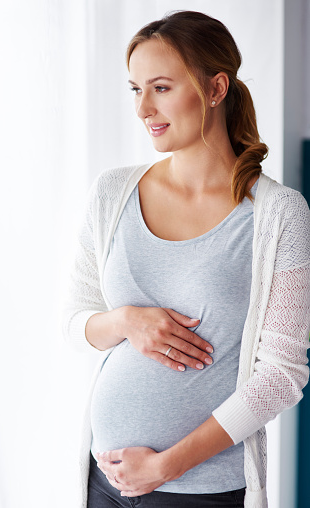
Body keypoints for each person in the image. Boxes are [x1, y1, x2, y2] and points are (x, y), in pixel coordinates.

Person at [63, 10, 310, 508]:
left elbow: (282, 374)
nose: (143, 109)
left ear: (216, 88)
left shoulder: (279, 214)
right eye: (135, 89)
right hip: (104, 479)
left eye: (160, 87)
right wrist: (129, 321)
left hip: (198, 491)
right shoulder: (112, 193)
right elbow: (75, 323)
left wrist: (164, 466)